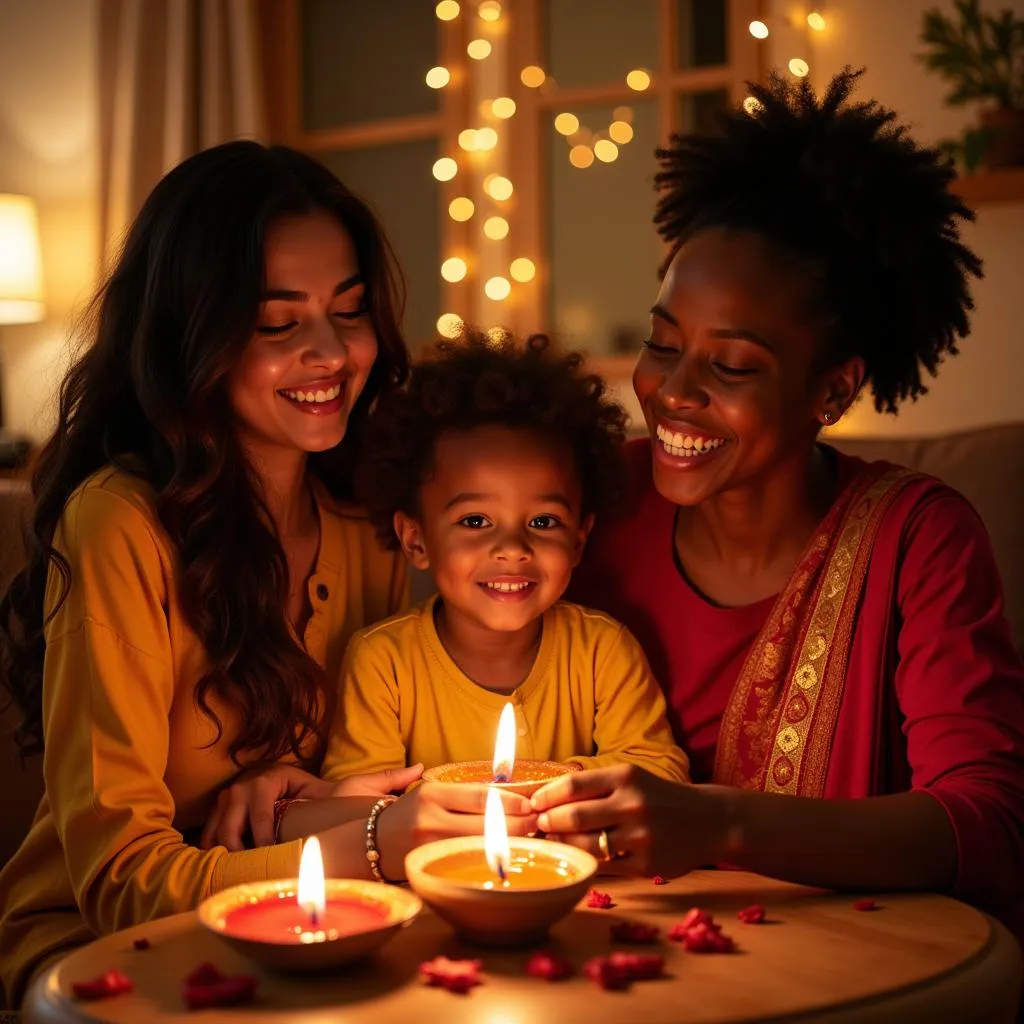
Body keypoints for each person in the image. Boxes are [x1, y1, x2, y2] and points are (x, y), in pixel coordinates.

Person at [0, 142, 531, 1010]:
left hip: (311, 919)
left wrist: (306, 803)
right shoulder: (122, 524)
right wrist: (370, 840)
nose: (330, 353)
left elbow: (349, 769)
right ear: (195, 338)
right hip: (94, 947)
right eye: (279, 324)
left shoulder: (364, 525)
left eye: (349, 311)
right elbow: (119, 880)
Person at [531, 68, 1024, 942]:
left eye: (732, 366)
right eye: (662, 344)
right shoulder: (587, 502)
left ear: (831, 391)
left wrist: (717, 822)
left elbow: (986, 825)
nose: (672, 393)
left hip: (844, 963)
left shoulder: (919, 537)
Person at [203, 333, 689, 856]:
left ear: (579, 539)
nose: (512, 548)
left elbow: (661, 773)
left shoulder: (603, 650)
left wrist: (534, 782)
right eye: (475, 521)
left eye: (543, 521)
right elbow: (360, 802)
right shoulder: (384, 660)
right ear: (416, 539)